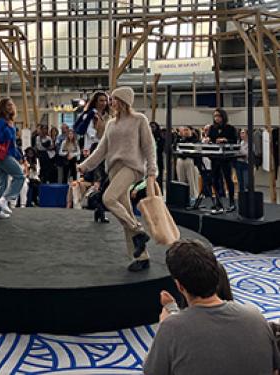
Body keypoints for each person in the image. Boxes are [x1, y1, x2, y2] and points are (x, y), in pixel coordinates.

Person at [144, 239, 280, 375]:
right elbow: (274, 368)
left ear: (180, 286)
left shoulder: (171, 328)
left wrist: (166, 319)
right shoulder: (254, 316)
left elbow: (152, 371)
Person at [78, 87, 157, 272]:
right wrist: (85, 165)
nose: (110, 102)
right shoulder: (111, 124)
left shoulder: (139, 120)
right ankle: (141, 257)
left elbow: (149, 146)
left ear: (123, 100)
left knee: (108, 198)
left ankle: (138, 231)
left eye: (114, 99)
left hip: (132, 168)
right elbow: (101, 150)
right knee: (126, 213)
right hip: (114, 170)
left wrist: (152, 170)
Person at [0, 97, 25, 220]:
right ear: (2, 108)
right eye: (8, 105)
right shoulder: (1, 122)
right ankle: (5, 199)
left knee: (1, 181)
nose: (10, 107)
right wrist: (10, 129)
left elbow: (12, 144)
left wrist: (19, 156)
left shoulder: (8, 121)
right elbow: (0, 138)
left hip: (4, 155)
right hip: (3, 156)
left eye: (11, 105)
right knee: (20, 176)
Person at [208, 108, 238, 212]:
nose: (217, 118)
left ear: (223, 117)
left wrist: (226, 140)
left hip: (226, 158)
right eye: (215, 116)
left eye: (219, 116)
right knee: (215, 180)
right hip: (215, 158)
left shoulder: (230, 128)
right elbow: (210, 140)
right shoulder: (212, 128)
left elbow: (235, 141)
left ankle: (232, 201)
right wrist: (209, 141)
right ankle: (218, 202)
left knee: (228, 179)